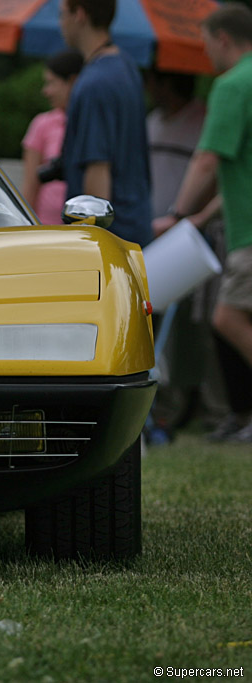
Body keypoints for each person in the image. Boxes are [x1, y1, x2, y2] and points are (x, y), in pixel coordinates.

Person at [153, 3, 252, 441]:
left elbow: (209, 160)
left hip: (249, 233)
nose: (205, 54)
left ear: (223, 39)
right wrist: (199, 216)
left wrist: (176, 213)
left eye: (206, 43)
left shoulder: (232, 85)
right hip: (239, 219)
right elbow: (237, 174)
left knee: (227, 317)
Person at [58, 0, 152, 246]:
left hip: (110, 236)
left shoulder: (94, 83)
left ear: (79, 14)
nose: (61, 25)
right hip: (135, 225)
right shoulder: (126, 66)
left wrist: (92, 243)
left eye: (62, 15)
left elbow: (98, 169)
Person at [20, 49, 83, 224]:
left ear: (72, 82)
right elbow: (30, 184)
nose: (46, 91)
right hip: (45, 226)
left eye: (51, 83)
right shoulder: (42, 124)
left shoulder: (89, 124)